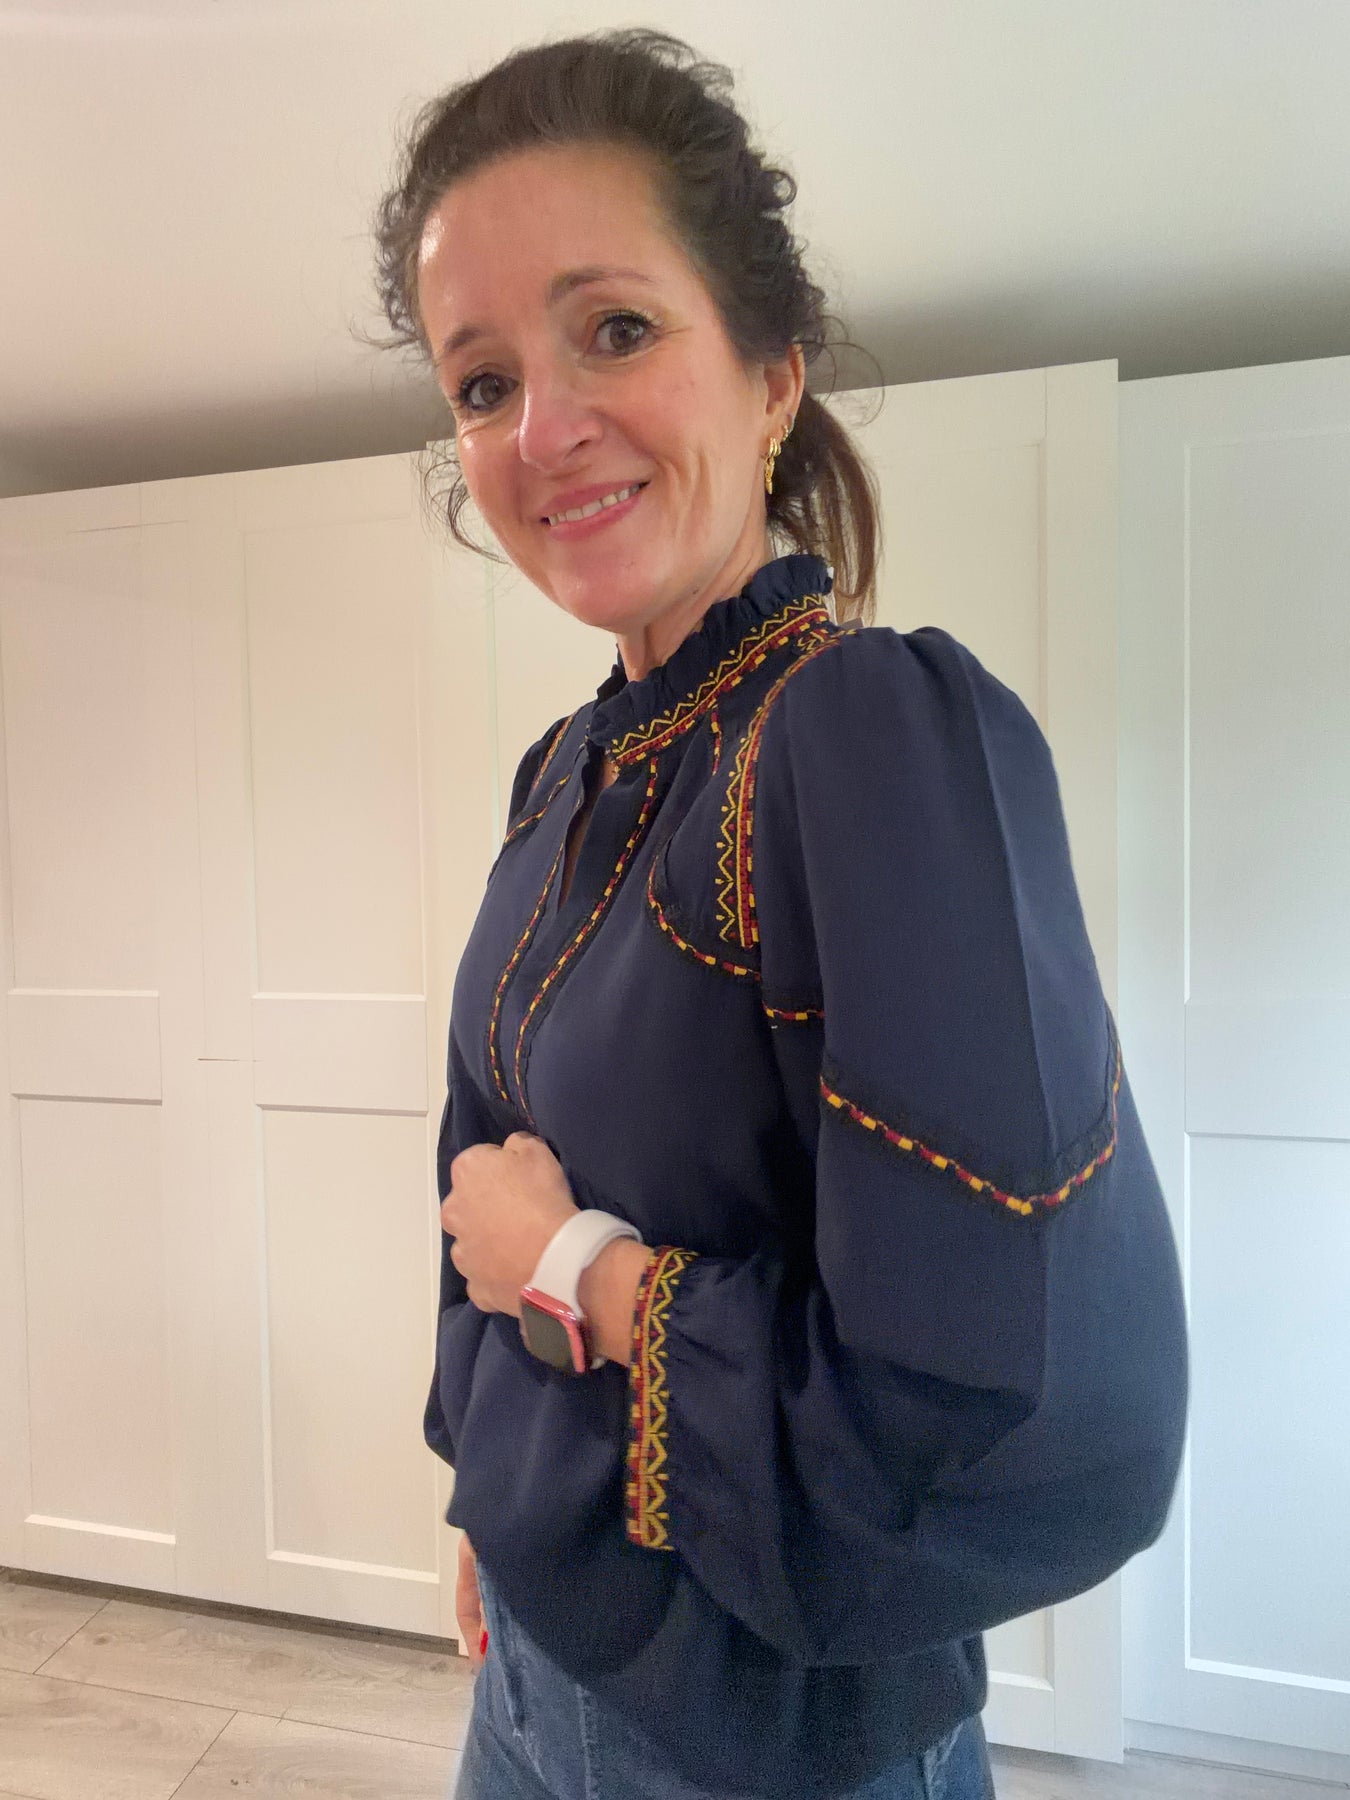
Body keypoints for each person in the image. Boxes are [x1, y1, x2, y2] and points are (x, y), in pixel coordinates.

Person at [372, 28, 1188, 1800]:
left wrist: (574, 1273)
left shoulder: (866, 735)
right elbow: (485, 1168)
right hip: (538, 1661)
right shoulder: (568, 772)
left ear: (769, 376)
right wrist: (499, 1503)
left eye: (613, 330)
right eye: (482, 380)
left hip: (766, 1735)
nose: (542, 428)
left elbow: (991, 1407)